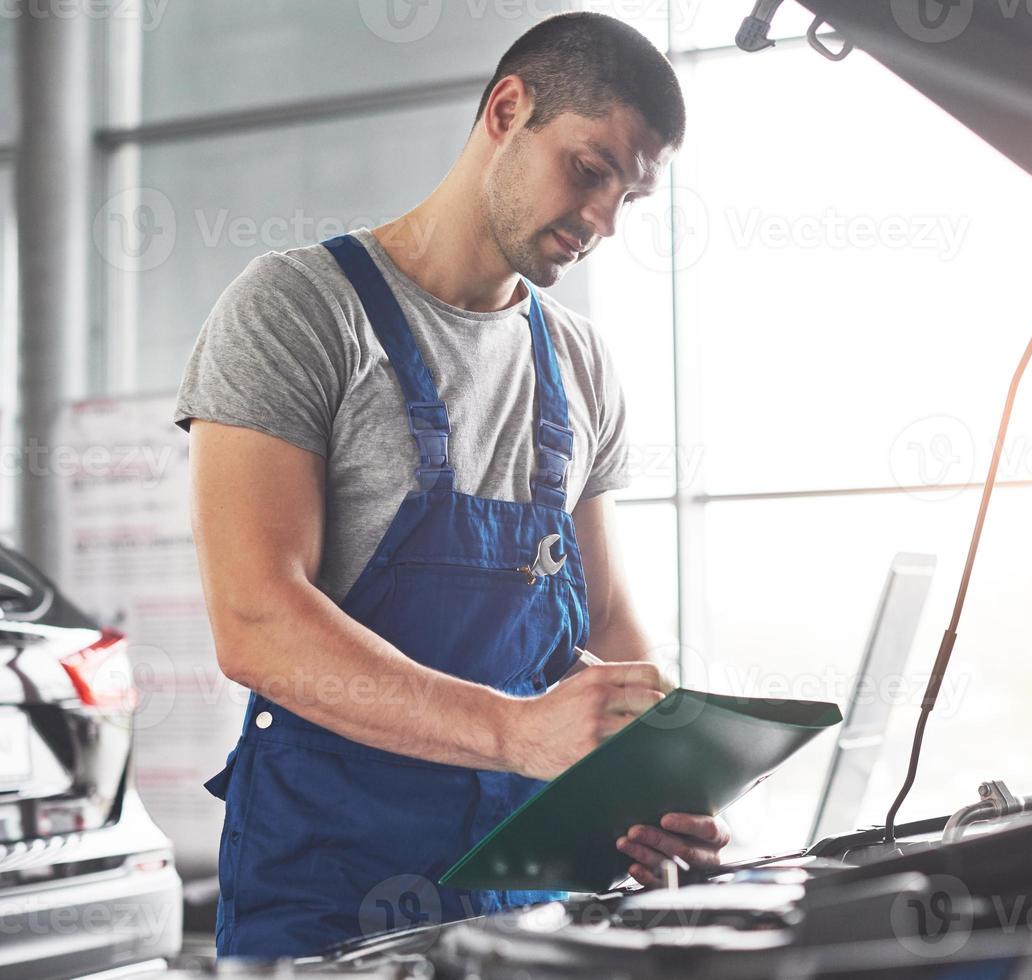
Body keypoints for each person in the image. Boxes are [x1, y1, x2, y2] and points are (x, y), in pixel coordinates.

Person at [175, 12, 728, 958]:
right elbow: (257, 622)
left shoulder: (581, 363)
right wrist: (514, 734)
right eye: (590, 170)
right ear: (507, 110)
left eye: (629, 199)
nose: (602, 221)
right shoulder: (297, 311)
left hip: (534, 904)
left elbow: (607, 623)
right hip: (329, 902)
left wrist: (657, 785)